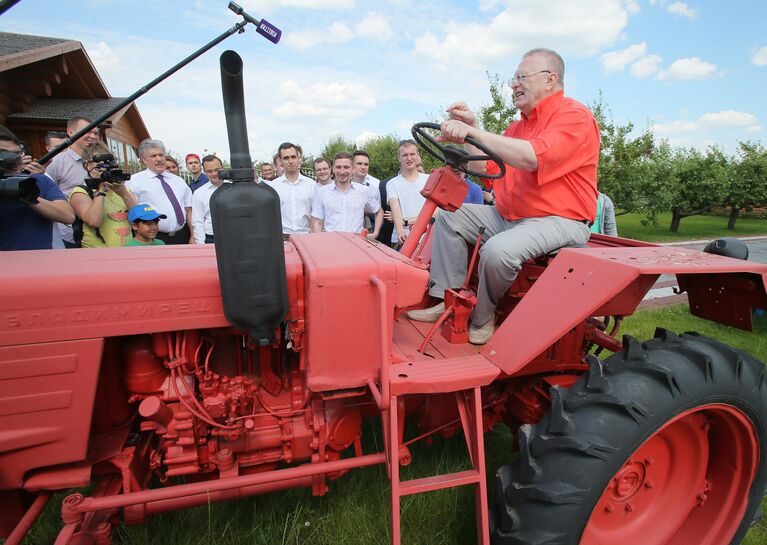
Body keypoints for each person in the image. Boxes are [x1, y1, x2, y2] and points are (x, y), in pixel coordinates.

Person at [407, 48, 599, 345]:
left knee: (498, 251)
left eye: (522, 77)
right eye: (514, 78)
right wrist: (470, 131)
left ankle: (484, 317)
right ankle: (446, 301)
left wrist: (477, 134)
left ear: (550, 80)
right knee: (448, 216)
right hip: (510, 216)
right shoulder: (518, 126)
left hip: (560, 220)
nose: (514, 84)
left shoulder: (574, 117)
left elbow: (533, 158)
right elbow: (487, 166)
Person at [0, 126, 75, 250]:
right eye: (3, 153)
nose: (12, 159)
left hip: (41, 261)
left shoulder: (39, 180)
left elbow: (67, 216)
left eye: (16, 153)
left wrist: (28, 195)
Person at [68, 143, 137, 247]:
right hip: (96, 255)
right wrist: (101, 189)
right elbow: (94, 221)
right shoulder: (80, 192)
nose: (103, 167)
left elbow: (139, 219)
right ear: (86, 165)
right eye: (98, 164)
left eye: (107, 163)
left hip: (127, 251)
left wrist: (124, 194)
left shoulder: (122, 190)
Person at [45, 116, 99, 247]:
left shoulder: (101, 160)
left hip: (100, 234)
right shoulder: (57, 163)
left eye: (95, 133)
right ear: (70, 132)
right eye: (87, 131)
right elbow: (47, 195)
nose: (92, 136)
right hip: (70, 236)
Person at [126, 139, 194, 244]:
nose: (159, 159)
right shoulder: (134, 181)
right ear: (143, 159)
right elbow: (133, 212)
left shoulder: (178, 181)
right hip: (154, 238)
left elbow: (189, 210)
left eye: (161, 155)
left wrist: (193, 235)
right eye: (153, 156)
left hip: (183, 236)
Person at [311, 151, 382, 236]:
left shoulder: (364, 191)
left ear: (353, 169)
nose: (342, 171)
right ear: (333, 169)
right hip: (330, 243)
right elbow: (317, 221)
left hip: (357, 243)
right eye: (338, 167)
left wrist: (375, 233)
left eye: (346, 167)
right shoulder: (322, 192)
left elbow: (379, 211)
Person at [263, 142, 315, 235]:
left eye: (293, 157)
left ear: (299, 158)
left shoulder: (311, 185)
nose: (291, 161)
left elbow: (316, 215)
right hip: (281, 236)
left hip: (306, 235)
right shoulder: (273, 186)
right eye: (286, 158)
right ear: (280, 160)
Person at [387, 139, 430, 246]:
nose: (409, 158)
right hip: (403, 239)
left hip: (427, 238)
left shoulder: (429, 179)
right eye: (405, 155)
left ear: (418, 155)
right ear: (399, 157)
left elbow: (436, 211)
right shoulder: (392, 183)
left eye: (412, 154)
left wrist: (406, 221)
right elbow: (395, 209)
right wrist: (400, 230)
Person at [192, 155, 225, 244]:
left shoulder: (235, 187)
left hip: (235, 235)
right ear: (205, 172)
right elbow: (198, 221)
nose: (214, 174)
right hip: (211, 238)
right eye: (209, 171)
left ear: (222, 168)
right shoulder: (199, 193)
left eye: (217, 170)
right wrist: (201, 244)